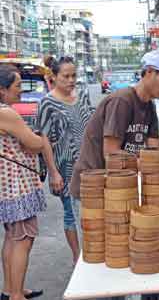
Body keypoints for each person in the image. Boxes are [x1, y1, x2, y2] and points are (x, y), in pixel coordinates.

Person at [69, 50, 159, 204]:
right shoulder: (122, 101)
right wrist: (151, 164)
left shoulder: (150, 106)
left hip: (119, 185)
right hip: (93, 185)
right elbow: (111, 153)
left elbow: (153, 150)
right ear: (149, 72)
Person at [36, 57, 94, 265]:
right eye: (66, 76)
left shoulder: (83, 96)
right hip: (65, 166)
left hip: (90, 165)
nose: (71, 80)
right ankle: (77, 258)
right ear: (54, 77)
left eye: (73, 76)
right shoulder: (47, 103)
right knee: (71, 212)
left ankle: (92, 252)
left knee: (93, 210)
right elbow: (44, 140)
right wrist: (53, 172)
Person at [0, 65, 46, 300]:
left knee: (11, 237)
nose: (21, 91)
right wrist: (41, 138)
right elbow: (35, 143)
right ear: (2, 90)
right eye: (17, 85)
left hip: (6, 186)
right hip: (18, 185)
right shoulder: (6, 112)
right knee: (23, 239)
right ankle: (17, 295)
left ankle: (10, 290)